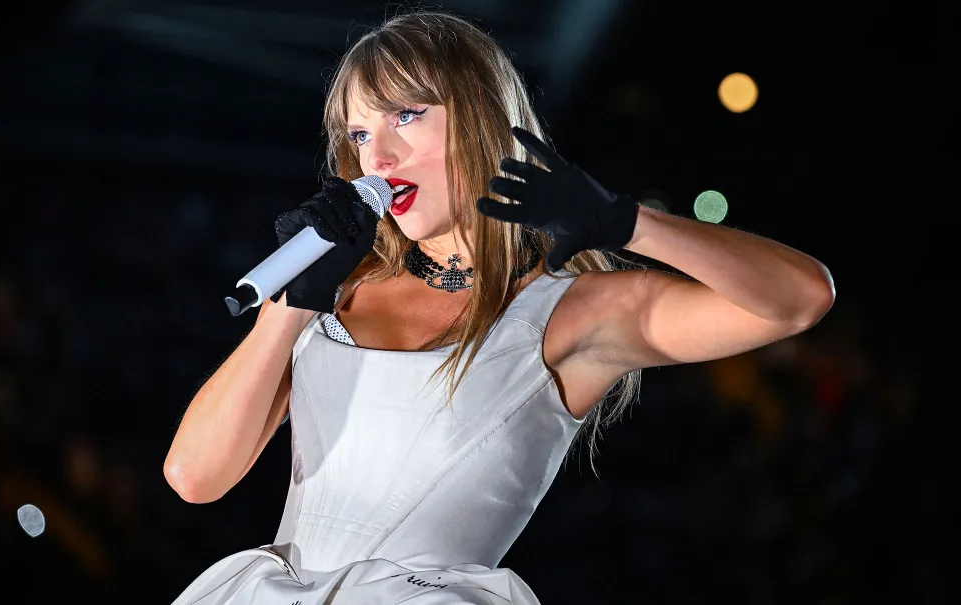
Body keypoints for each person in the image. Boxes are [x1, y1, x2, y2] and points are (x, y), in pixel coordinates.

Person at [163, 9, 835, 605]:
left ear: (482, 115)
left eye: (405, 115)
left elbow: (801, 300)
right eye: (359, 133)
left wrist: (629, 224)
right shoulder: (332, 292)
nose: (381, 153)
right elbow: (193, 477)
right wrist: (290, 305)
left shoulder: (570, 312)